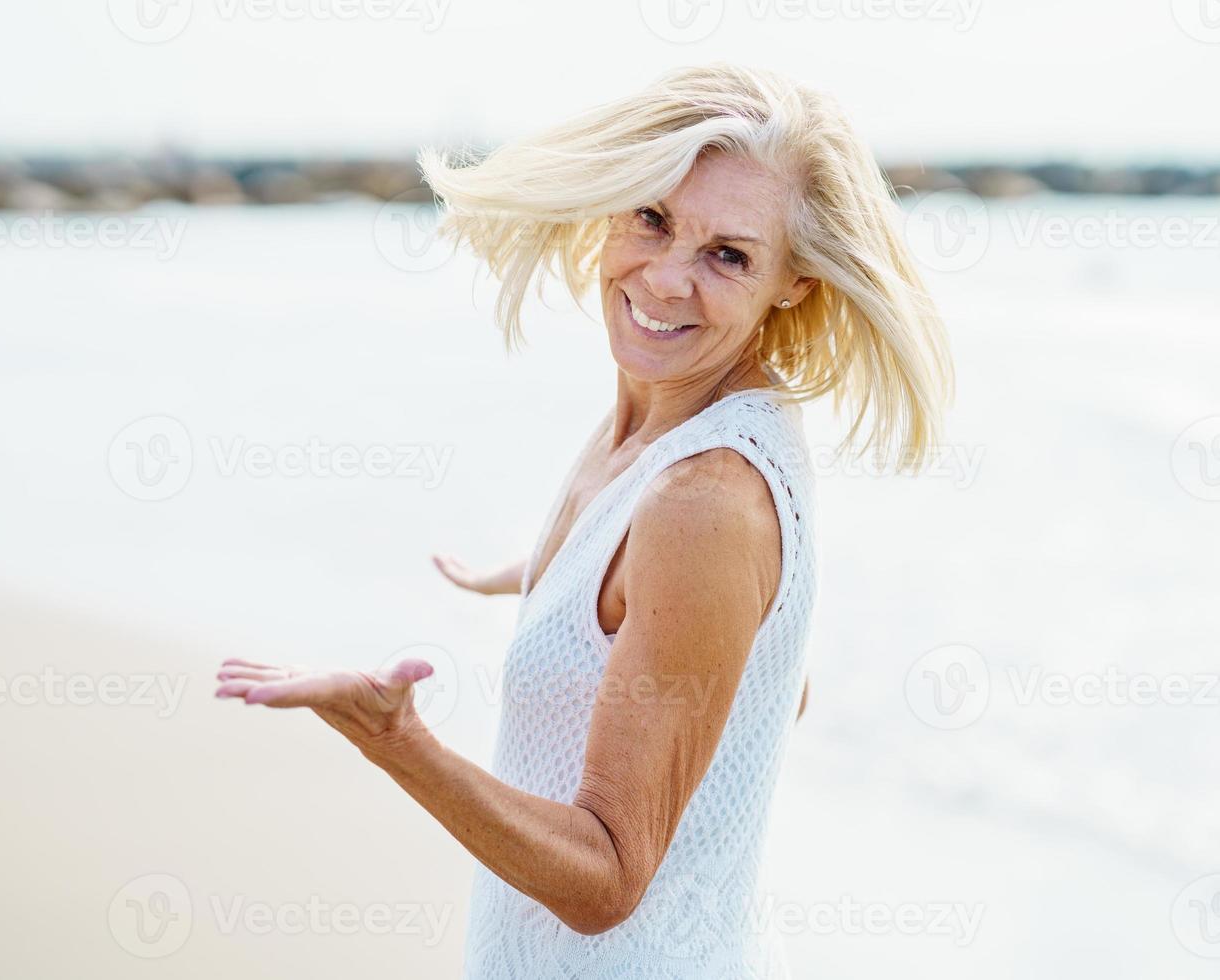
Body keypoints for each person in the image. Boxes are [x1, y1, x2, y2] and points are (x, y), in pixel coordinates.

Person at [216, 63, 954, 977]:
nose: (668, 280)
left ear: (794, 281)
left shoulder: (703, 498)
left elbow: (606, 880)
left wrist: (393, 739)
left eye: (729, 255)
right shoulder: (658, 436)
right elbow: (769, 681)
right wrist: (585, 585)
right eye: (652, 219)